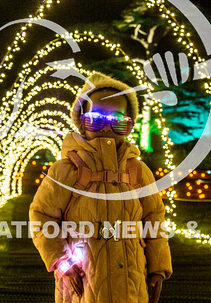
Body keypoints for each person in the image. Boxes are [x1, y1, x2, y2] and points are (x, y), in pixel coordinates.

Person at [30, 72, 172, 302]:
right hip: (83, 281)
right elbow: (41, 216)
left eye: (117, 121)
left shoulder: (138, 171)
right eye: (95, 119)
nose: (106, 127)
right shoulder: (66, 170)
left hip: (131, 281)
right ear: (81, 121)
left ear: (129, 125)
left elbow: (154, 219)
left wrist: (158, 267)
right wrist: (61, 261)